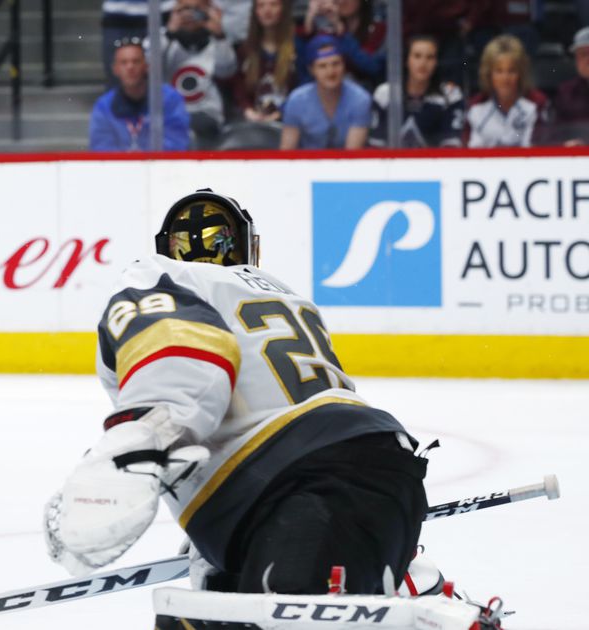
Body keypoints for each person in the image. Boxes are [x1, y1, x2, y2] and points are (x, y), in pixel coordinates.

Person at [43, 189, 429, 621]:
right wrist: (225, 525)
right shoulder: (287, 296)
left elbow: (180, 345)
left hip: (303, 486)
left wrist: (141, 439)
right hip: (374, 469)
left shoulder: (163, 275)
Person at [153, 0, 236, 147]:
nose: (190, 15)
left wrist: (219, 36)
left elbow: (226, 71)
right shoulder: (162, 39)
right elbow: (149, 67)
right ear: (174, 11)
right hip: (169, 116)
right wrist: (170, 32)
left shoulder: (217, 41)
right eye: (184, 9)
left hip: (206, 114)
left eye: (197, 9)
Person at [90, 38, 192, 151]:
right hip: (121, 168)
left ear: (146, 66)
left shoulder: (170, 98)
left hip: (161, 167)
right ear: (115, 69)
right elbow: (101, 149)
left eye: (136, 61)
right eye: (124, 62)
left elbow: (177, 143)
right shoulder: (104, 106)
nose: (130, 67)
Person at [370, 35, 464, 148]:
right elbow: (376, 146)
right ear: (407, 60)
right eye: (417, 56)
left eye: (430, 57)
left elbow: (451, 147)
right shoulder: (385, 94)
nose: (423, 63)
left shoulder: (450, 96)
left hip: (435, 164)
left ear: (436, 62)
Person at [281, 35, 371, 149]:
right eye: (322, 66)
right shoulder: (296, 100)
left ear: (344, 65)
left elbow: (352, 155)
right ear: (311, 70)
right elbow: (287, 153)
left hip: (347, 164)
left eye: (336, 64)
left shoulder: (360, 99)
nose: (330, 72)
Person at [465, 34, 548, 148]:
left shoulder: (536, 103)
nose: (505, 78)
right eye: (499, 71)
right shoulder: (476, 106)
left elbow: (538, 148)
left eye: (512, 70)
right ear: (489, 74)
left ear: (521, 73)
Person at [233, 0, 299, 122]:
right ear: (255, 12)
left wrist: (282, 112)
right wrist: (248, 110)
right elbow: (239, 88)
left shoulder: (297, 47)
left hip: (290, 120)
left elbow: (301, 88)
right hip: (254, 120)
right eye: (261, 5)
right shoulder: (245, 50)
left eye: (273, 4)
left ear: (283, 9)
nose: (267, 10)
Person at [553, 27, 589, 145]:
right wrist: (566, 144)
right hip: (573, 159)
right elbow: (554, 134)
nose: (588, 59)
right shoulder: (566, 92)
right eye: (583, 54)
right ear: (576, 59)